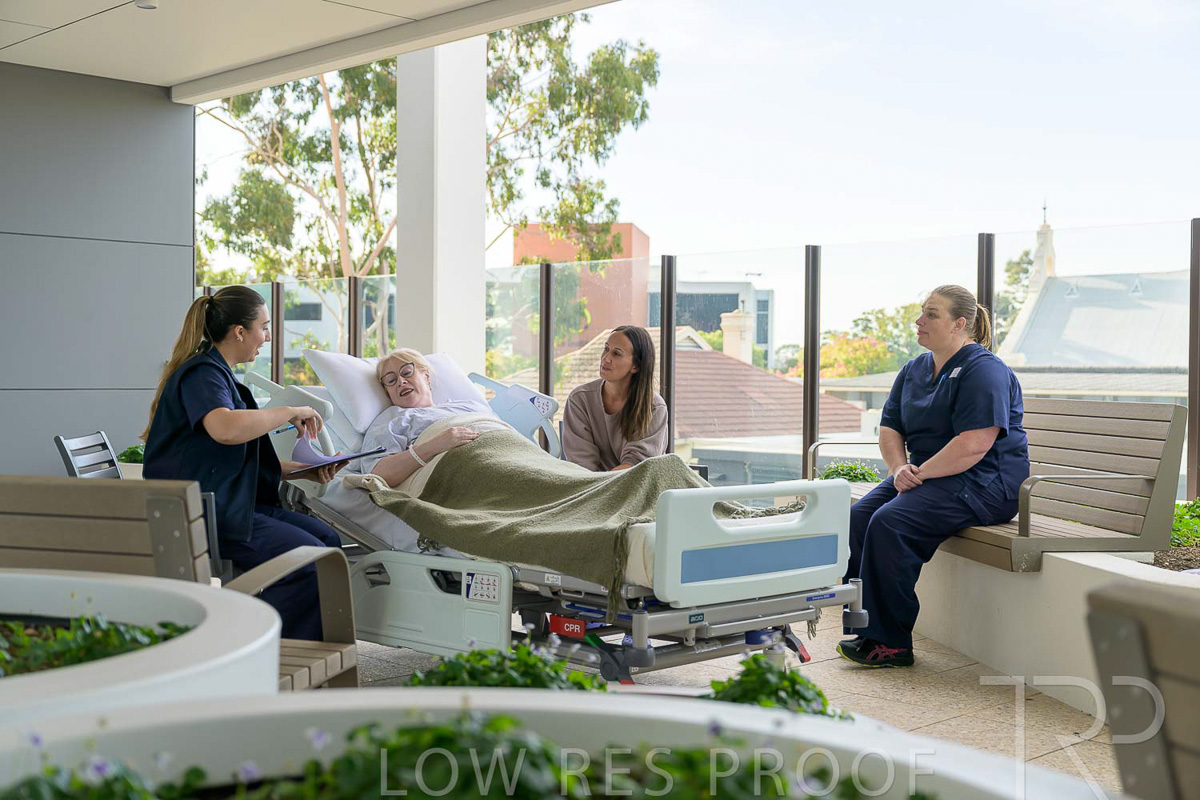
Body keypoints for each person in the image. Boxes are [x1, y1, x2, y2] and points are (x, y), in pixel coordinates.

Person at [838, 285, 1029, 668]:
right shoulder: (915, 369)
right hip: (929, 477)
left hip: (985, 484)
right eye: (922, 312)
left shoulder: (984, 370)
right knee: (857, 518)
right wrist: (899, 469)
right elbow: (890, 429)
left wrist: (917, 473)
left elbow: (974, 445)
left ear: (959, 324)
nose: (919, 321)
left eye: (931, 314)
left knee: (890, 523)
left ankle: (891, 643)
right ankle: (864, 626)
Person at [143, 286, 346, 640]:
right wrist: (289, 410)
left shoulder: (218, 374)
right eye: (263, 328)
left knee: (326, 540)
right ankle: (257, 646)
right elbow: (225, 429)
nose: (267, 337)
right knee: (311, 560)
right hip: (202, 514)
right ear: (239, 332)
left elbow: (229, 461)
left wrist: (302, 470)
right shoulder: (202, 374)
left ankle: (303, 646)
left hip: (225, 503)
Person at [360, 348, 495, 488]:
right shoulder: (391, 420)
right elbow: (377, 474)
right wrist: (435, 445)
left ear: (426, 377)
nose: (400, 381)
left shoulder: (469, 406)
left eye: (406, 372)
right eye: (391, 380)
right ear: (387, 393)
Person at [562, 325, 668, 471]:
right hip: (592, 483)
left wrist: (603, 483)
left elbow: (636, 467)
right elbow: (582, 466)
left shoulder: (654, 407)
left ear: (635, 366)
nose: (605, 358)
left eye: (616, 354)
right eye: (606, 349)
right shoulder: (579, 400)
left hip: (637, 483)